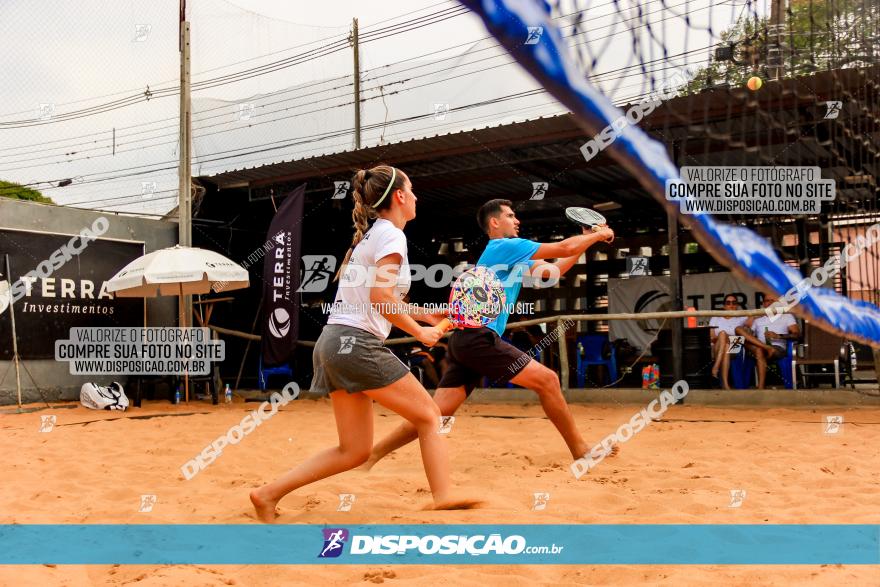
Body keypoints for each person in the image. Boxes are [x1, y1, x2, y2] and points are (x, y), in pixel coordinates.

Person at [250, 165, 471, 523]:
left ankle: (266, 494)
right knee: (430, 415)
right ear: (399, 196)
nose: (416, 197)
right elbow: (381, 296)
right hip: (355, 343)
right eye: (412, 190)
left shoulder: (371, 237)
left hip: (332, 342)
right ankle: (444, 497)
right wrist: (420, 332)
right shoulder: (392, 237)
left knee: (353, 450)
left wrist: (425, 314)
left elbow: (376, 300)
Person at [362, 199, 615, 470]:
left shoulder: (508, 254)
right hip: (479, 339)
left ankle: (371, 457)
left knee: (434, 414)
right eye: (510, 215)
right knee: (549, 381)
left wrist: (587, 240)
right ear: (494, 223)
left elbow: (553, 272)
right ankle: (580, 451)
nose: (517, 220)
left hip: (464, 341)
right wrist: (600, 234)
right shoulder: (506, 246)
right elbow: (564, 246)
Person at [735, 294, 800, 389]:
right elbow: (749, 335)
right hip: (759, 346)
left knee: (758, 350)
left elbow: (797, 335)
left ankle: (760, 387)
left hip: (777, 348)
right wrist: (749, 323)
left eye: (772, 301)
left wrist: (778, 336)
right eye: (766, 301)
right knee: (738, 329)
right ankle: (767, 348)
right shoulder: (758, 318)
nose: (769, 303)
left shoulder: (787, 316)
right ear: (763, 304)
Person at [709, 294, 748, 389]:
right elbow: (712, 337)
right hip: (718, 346)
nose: (731, 305)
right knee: (723, 337)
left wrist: (727, 337)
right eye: (728, 303)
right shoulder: (716, 317)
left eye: (734, 302)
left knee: (724, 338)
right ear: (724, 306)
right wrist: (724, 338)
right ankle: (726, 385)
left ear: (737, 305)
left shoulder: (742, 317)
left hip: (736, 344)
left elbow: (753, 322)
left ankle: (716, 367)